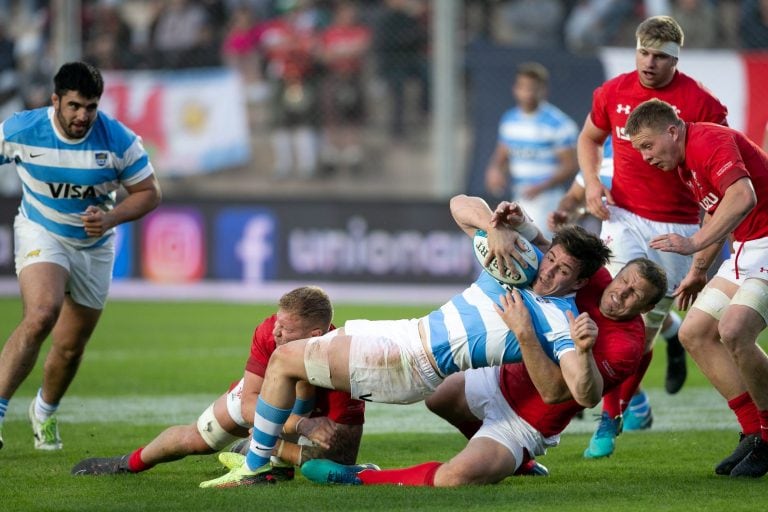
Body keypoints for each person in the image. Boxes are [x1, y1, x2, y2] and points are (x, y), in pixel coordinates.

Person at [198, 194, 611, 488]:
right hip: (400, 332)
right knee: (296, 365)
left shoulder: (560, 319)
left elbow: (574, 393)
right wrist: (496, 227)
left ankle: (258, 467)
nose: (549, 272)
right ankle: (272, 461)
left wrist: (541, 338)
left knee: (285, 359)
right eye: (552, 259)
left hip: (409, 363)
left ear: (580, 280)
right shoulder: (526, 260)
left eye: (563, 271)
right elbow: (459, 204)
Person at [301, 258, 668, 486]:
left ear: (647, 308)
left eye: (636, 294)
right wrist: (505, 227)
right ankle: (515, 463)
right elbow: (473, 212)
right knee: (438, 395)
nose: (622, 292)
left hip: (525, 422)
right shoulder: (593, 278)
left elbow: (570, 394)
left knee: (455, 478)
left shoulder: (627, 346)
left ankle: (359, 477)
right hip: (496, 379)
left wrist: (555, 342)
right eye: (625, 281)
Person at [578, 15, 728, 459]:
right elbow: (589, 139)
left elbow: (718, 165)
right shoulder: (614, 92)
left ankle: (624, 405)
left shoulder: (701, 103)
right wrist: (591, 183)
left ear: (676, 59)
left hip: (678, 228)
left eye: (660, 56)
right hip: (623, 216)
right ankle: (609, 416)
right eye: (644, 52)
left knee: (643, 328)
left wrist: (704, 239)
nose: (649, 62)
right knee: (616, 307)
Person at [0, 61, 162, 451]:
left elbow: (149, 192)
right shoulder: (22, 130)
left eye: (90, 107)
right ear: (55, 101)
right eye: (74, 106)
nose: (82, 115)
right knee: (41, 314)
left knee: (71, 347)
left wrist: (109, 219)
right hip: (42, 230)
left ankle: (44, 411)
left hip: (94, 245)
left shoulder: (117, 140)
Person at [70, 286, 366, 481]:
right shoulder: (267, 331)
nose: (274, 331)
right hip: (267, 397)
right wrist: (300, 426)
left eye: (285, 329)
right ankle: (127, 463)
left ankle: (263, 455)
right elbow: (251, 401)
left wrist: (274, 445)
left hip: (313, 408)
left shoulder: (345, 365)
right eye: (276, 322)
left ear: (315, 335)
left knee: (321, 442)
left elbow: (343, 456)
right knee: (196, 439)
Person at [626, 98, 768, 478]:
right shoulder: (685, 160)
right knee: (694, 332)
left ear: (672, 131)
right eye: (639, 149)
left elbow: (743, 196)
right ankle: (755, 433)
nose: (644, 157)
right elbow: (714, 206)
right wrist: (698, 269)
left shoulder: (706, 142)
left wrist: (693, 243)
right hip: (747, 249)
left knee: (735, 330)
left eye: (647, 145)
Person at [485, 62, 579, 241]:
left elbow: (570, 165)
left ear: (543, 90)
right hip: (520, 196)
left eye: (533, 88)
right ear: (515, 89)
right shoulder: (509, 119)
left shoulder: (558, 123)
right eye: (523, 87)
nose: (527, 93)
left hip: (547, 199)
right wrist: (494, 170)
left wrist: (541, 186)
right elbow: (502, 155)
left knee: (541, 248)